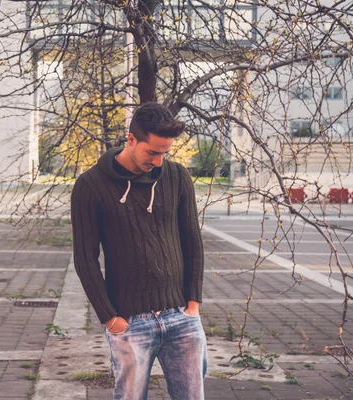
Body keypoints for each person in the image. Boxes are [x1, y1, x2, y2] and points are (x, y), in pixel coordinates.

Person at [70, 102, 206, 400]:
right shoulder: (90, 185)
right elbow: (85, 258)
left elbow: (192, 240)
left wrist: (193, 303)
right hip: (130, 322)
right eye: (152, 152)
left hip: (181, 316)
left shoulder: (177, 177)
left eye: (165, 153)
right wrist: (110, 318)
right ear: (131, 139)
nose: (158, 161)